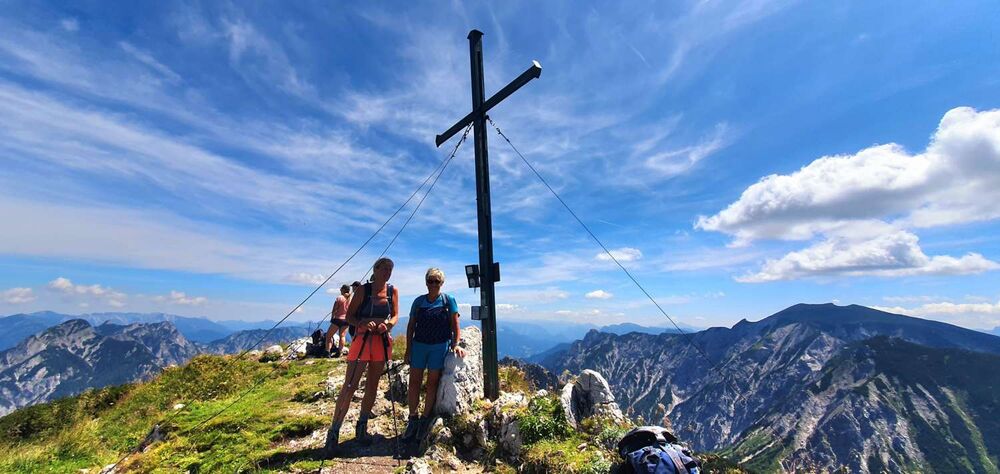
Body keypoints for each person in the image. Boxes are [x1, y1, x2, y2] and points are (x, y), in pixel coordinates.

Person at [325, 258, 400, 455]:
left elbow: (395, 315)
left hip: (380, 341)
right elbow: (349, 316)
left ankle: (362, 427)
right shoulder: (363, 290)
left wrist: (388, 325)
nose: (387, 272)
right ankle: (334, 432)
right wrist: (363, 323)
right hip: (362, 339)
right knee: (350, 386)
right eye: (384, 268)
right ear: (375, 269)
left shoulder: (392, 291)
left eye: (390, 269)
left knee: (372, 385)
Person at [401, 267, 465, 444]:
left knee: (432, 383)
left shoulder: (448, 300)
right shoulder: (418, 301)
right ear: (426, 282)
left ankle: (424, 418)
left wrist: (456, 344)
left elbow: (455, 324)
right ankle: (413, 418)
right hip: (419, 346)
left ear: (442, 283)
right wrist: (408, 349)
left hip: (439, 346)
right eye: (431, 280)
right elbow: (411, 326)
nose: (434, 284)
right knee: (414, 382)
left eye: (437, 281)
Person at [325, 284, 351, 357]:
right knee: (342, 336)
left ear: (343, 290)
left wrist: (332, 318)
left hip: (337, 319)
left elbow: (334, 309)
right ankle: (340, 352)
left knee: (329, 335)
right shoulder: (351, 298)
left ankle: (327, 351)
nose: (340, 290)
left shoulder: (339, 298)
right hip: (346, 320)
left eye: (341, 289)